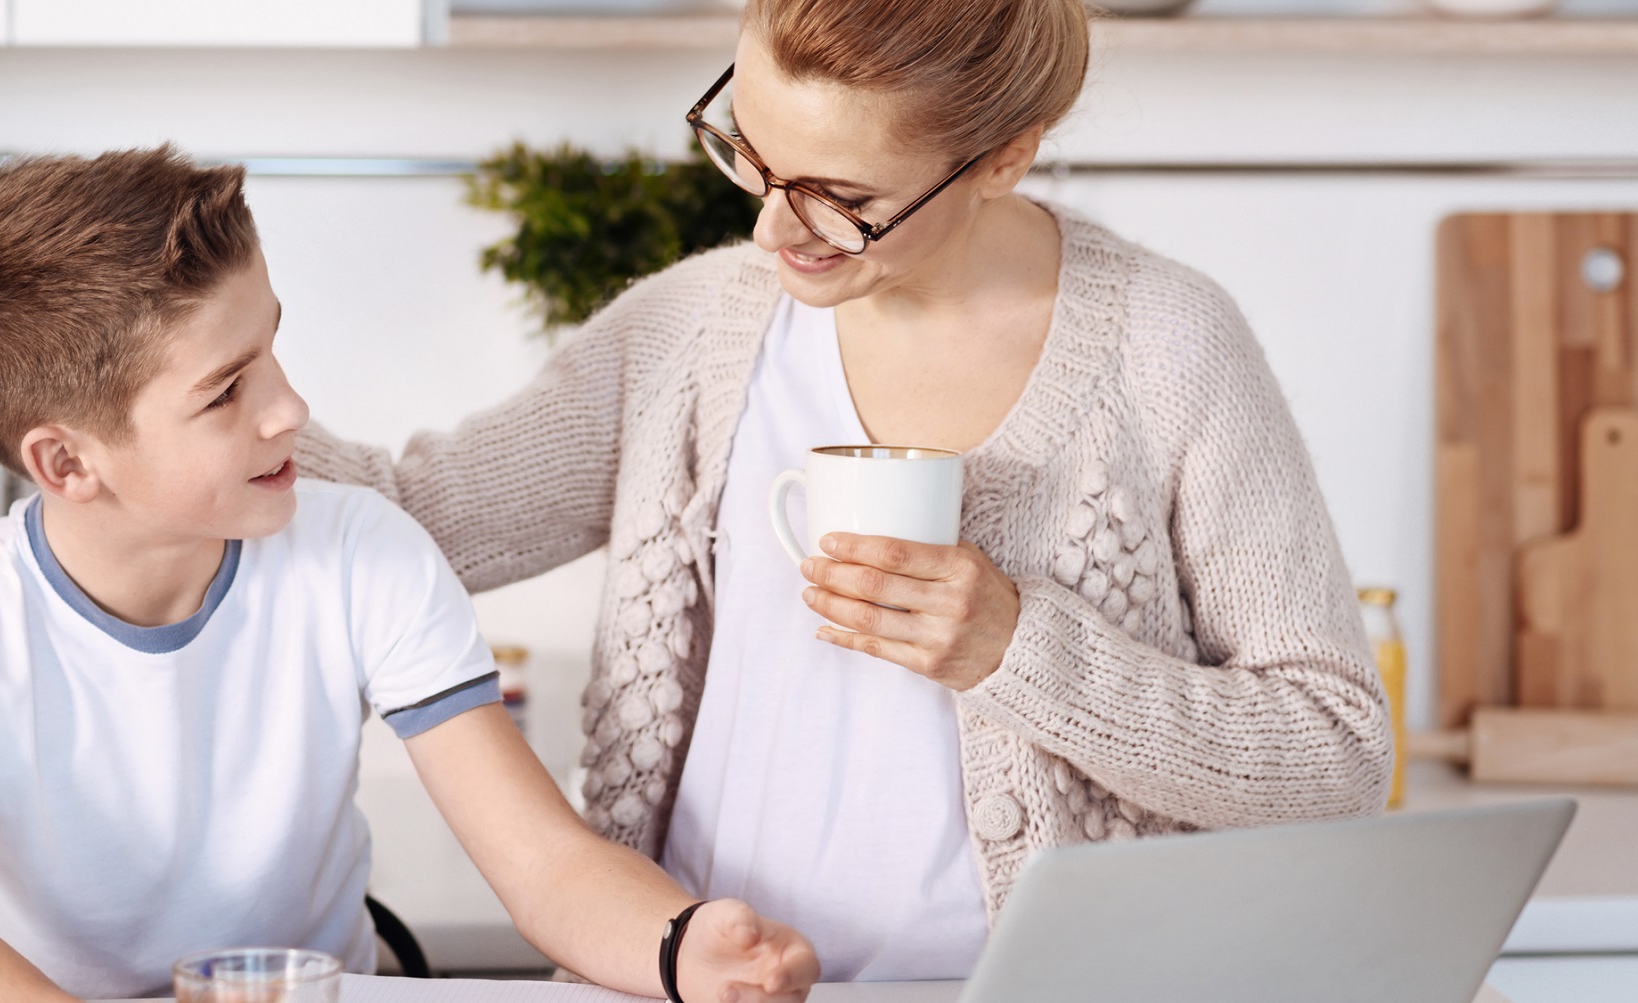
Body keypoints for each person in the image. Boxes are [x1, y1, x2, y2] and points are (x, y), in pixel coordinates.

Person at [295, 0, 1395, 982]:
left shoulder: (1169, 348)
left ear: (1005, 157)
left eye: (843, 199)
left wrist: (1020, 650)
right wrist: (178, 384)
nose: (774, 230)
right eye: (755, 160)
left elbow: (1336, 752)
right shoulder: (690, 333)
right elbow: (402, 518)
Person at [0, 146, 819, 1003]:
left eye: (270, 348)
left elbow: (546, 864)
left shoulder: (360, 551)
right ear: (66, 465)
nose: (290, 407)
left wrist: (682, 946)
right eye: (226, 393)